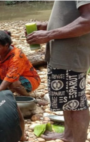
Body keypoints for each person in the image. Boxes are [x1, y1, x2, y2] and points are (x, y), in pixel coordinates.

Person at [26, 1, 90, 142]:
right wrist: (45, 26)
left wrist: (49, 34)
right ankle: (68, 135)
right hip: (63, 54)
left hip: (72, 54)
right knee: (68, 101)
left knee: (76, 103)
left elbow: (88, 20)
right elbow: (69, 17)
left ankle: (78, 139)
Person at [0, 30, 40, 96]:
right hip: (4, 78)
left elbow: (10, 77)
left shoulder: (17, 55)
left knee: (14, 83)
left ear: (6, 46)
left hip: (28, 79)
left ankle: (28, 98)